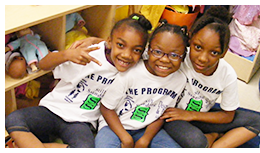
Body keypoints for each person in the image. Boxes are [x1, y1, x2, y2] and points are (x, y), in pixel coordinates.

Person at [5, 13, 152, 148]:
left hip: (81, 122)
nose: (127, 55)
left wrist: (97, 39)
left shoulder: (137, 65)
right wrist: (67, 55)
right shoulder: (87, 53)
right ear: (109, 42)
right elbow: (43, 64)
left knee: (85, 148)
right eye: (120, 45)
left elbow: (153, 54)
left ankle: (44, 146)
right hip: (52, 110)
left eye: (136, 50)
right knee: (13, 119)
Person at [161, 6, 260, 148]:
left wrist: (192, 115)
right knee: (197, 142)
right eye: (198, 47)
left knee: (256, 121)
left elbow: (228, 115)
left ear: (224, 52)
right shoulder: (179, 56)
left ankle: (214, 142)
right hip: (175, 116)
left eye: (214, 52)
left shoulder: (227, 74)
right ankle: (210, 141)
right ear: (190, 38)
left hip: (200, 116)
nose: (203, 58)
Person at [95, 21, 189, 148]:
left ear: (183, 58)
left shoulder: (180, 80)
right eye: (157, 52)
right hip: (114, 127)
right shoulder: (130, 73)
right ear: (148, 50)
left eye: (174, 55)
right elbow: (106, 108)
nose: (164, 59)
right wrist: (125, 137)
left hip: (147, 129)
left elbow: (163, 112)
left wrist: (145, 139)